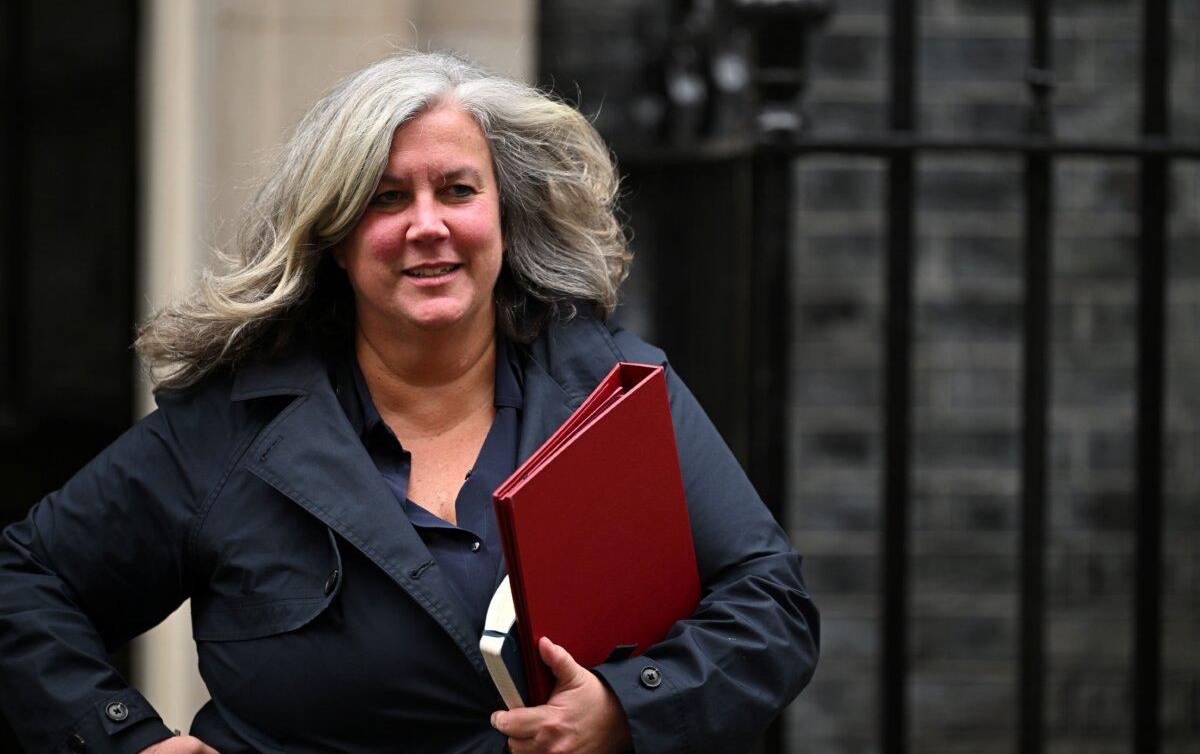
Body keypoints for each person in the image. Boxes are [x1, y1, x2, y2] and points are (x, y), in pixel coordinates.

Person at [0, 51, 818, 754]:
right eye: (386, 199)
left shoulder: (615, 395)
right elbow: (26, 583)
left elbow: (771, 609)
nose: (427, 225)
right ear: (334, 236)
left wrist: (628, 706)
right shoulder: (230, 428)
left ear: (504, 215)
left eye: (458, 190)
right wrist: (120, 737)